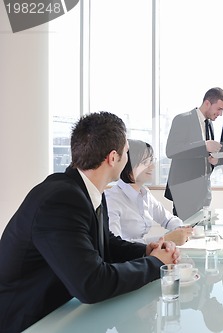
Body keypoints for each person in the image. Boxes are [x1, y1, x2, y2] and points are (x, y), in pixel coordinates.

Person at [0, 112, 180, 333]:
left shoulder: (87, 191)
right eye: (126, 153)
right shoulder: (61, 199)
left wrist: (145, 251)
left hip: (61, 313)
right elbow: (91, 284)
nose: (127, 159)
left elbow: (106, 243)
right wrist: (155, 264)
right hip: (30, 322)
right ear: (112, 158)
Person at [105, 139, 192, 246]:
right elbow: (116, 246)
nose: (152, 167)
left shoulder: (144, 193)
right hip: (126, 258)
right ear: (127, 165)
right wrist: (164, 239)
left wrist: (181, 229)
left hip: (140, 256)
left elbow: (168, 219)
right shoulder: (111, 200)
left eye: (151, 161)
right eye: (145, 162)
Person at [164, 87, 223, 220]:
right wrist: (204, 146)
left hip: (203, 196)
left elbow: (202, 157)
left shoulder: (209, 124)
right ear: (207, 103)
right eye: (219, 109)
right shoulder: (182, 119)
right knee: (184, 237)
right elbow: (171, 150)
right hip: (185, 194)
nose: (220, 114)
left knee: (201, 237)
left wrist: (213, 160)